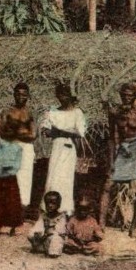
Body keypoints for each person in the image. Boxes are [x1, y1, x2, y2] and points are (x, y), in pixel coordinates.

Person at [102, 82, 136, 237]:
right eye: (123, 95)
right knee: (108, 184)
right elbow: (112, 139)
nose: (126, 98)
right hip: (124, 149)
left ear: (134, 97)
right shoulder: (115, 113)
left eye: (129, 95)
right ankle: (101, 224)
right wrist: (111, 162)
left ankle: (133, 227)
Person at [39, 82, 87, 215]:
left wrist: (59, 131)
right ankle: (49, 209)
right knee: (53, 177)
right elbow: (46, 131)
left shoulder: (77, 113)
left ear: (71, 96)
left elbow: (80, 133)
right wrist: (64, 132)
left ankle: (64, 210)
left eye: (65, 95)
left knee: (66, 179)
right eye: (60, 95)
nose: (62, 98)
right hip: (57, 148)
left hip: (69, 150)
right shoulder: (53, 111)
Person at [0, 83, 37, 213]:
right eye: (18, 94)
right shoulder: (7, 112)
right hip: (11, 147)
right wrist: (22, 132)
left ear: (28, 96)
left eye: (24, 94)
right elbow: (3, 132)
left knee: (25, 177)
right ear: (14, 94)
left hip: (26, 148)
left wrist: (15, 132)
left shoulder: (30, 113)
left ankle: (23, 208)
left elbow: (33, 135)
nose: (21, 97)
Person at [0, 132, 23, 236]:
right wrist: (0, 169)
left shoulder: (17, 147)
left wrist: (9, 168)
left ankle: (12, 227)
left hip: (11, 178)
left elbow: (17, 165)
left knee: (12, 202)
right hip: (1, 177)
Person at [29, 191, 67, 257]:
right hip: (44, 238)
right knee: (30, 234)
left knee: (56, 238)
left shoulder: (61, 217)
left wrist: (48, 233)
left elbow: (60, 230)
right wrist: (37, 233)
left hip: (54, 237)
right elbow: (38, 226)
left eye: (53, 203)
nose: (50, 205)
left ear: (59, 205)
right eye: (47, 203)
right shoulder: (43, 216)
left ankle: (53, 252)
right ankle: (42, 248)